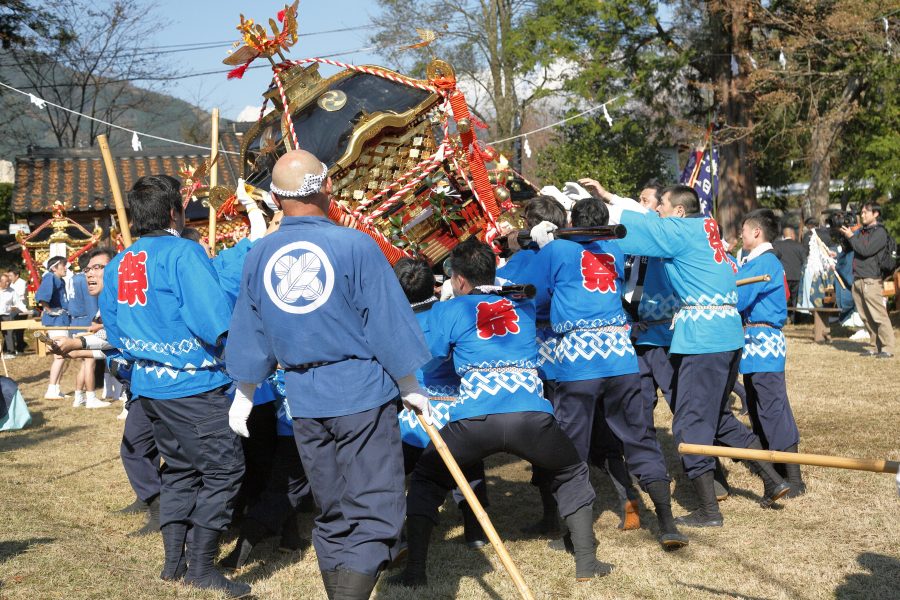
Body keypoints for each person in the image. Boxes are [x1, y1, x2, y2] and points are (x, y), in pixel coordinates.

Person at [225, 149, 432, 599]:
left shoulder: (260, 253)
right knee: (375, 506)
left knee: (333, 509)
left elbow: (250, 329)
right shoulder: (354, 244)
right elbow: (386, 319)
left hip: (303, 399)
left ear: (275, 198)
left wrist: (244, 391)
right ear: (328, 187)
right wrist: (410, 383)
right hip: (360, 392)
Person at [396, 239, 612, 587]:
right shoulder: (524, 303)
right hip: (531, 416)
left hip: (474, 419)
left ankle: (415, 571)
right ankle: (587, 561)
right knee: (570, 471)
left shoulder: (449, 310)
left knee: (427, 477)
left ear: (460, 280)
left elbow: (430, 356)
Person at [590, 183, 791, 527]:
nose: (658, 213)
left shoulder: (680, 231)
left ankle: (711, 511)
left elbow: (626, 228)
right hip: (724, 334)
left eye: (662, 207)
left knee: (689, 423)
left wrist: (597, 211)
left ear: (679, 212)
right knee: (715, 417)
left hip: (705, 337)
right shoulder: (704, 228)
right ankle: (773, 480)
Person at [99, 175, 249, 597]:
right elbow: (212, 318)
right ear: (173, 213)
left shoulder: (118, 262)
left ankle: (173, 564)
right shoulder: (183, 253)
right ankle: (201, 567)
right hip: (192, 384)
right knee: (224, 470)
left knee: (182, 470)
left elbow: (113, 326)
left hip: (150, 384)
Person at [528, 196, 687, 550]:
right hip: (620, 357)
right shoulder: (612, 249)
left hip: (578, 361)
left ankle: (574, 536)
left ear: (573, 221)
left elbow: (536, 298)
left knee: (572, 449)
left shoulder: (556, 251)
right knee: (640, 438)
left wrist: (543, 248)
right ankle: (667, 523)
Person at [394, 258, 490, 551]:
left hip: (413, 413)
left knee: (395, 473)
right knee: (469, 467)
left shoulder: (396, 323)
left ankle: (401, 531)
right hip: (456, 410)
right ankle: (476, 530)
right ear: (435, 285)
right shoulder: (452, 312)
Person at [737, 210, 804, 496]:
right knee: (757, 404)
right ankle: (774, 466)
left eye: (743, 230)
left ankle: (794, 477)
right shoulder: (760, 261)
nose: (740, 235)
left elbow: (738, 298)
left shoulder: (763, 262)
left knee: (773, 407)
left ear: (756, 233)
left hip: (763, 341)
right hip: (756, 342)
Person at [840, 203, 895, 358]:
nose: (862, 215)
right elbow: (850, 248)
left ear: (875, 214)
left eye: (865, 212)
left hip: (871, 279)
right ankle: (874, 346)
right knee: (865, 316)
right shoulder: (862, 231)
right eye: (862, 212)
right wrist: (845, 236)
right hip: (858, 278)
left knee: (878, 315)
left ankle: (888, 348)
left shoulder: (880, 233)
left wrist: (851, 236)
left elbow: (866, 250)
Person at [67, 257, 104, 408]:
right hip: (86, 321)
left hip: (75, 320)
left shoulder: (72, 278)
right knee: (90, 361)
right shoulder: (84, 279)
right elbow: (91, 303)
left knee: (84, 363)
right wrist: (96, 321)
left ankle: (78, 396)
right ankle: (90, 397)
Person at [35, 255, 70, 400]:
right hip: (55, 320)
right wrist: (49, 311)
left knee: (62, 355)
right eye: (63, 265)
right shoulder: (50, 277)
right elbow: (42, 297)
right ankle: (51, 389)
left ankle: (56, 388)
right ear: (54, 267)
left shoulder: (59, 279)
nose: (66, 268)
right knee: (59, 355)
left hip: (60, 319)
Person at [772, 226, 805, 320]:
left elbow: (774, 258)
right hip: (797, 276)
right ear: (792, 234)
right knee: (796, 299)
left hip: (784, 276)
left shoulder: (778, 246)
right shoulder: (799, 246)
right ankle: (796, 319)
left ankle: (783, 318)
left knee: (782, 298)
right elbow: (804, 260)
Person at [0, 274, 28, 358]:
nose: (8, 283)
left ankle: (10, 352)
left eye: (9, 281)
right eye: (6, 282)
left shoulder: (12, 291)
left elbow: (18, 303)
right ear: (0, 282)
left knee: (9, 333)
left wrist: (26, 310)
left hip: (6, 315)